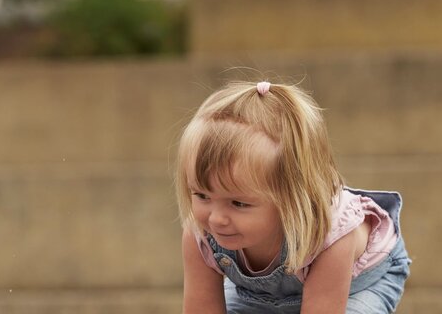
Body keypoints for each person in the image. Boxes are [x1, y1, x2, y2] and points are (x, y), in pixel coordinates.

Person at [175, 80, 411, 314]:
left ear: (291, 198)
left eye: (238, 203)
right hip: (264, 295)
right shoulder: (201, 234)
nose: (216, 219)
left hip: (358, 284)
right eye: (202, 195)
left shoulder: (330, 234)